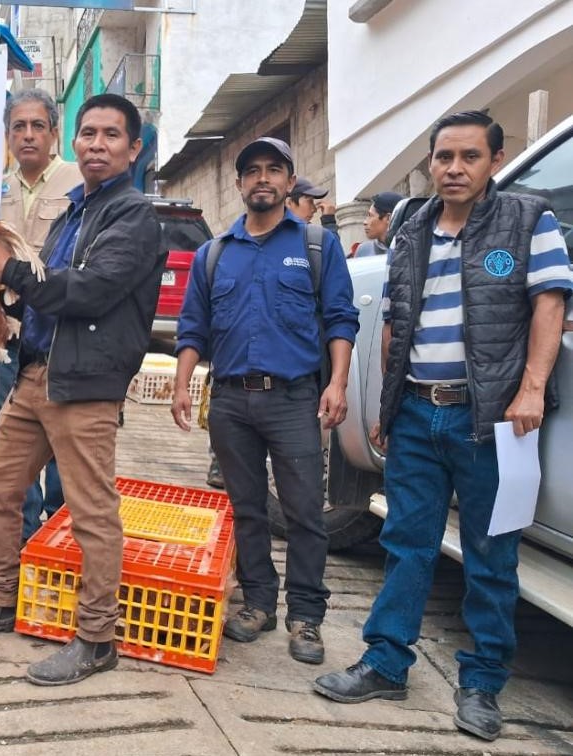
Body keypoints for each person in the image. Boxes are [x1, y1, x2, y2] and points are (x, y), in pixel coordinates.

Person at [314, 111, 572, 742]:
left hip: (491, 420)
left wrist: (531, 389)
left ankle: (482, 683)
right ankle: (385, 662)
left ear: (495, 160)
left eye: (469, 157)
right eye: (444, 157)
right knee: (406, 542)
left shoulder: (529, 219)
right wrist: (387, 408)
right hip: (416, 413)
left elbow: (549, 305)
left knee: (491, 553)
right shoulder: (412, 229)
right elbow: (396, 323)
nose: (454, 169)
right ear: (430, 162)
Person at [0, 93, 165, 686]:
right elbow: (41, 291)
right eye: (88, 134)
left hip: (85, 386)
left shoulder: (134, 216)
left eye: (111, 135)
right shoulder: (71, 213)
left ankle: (97, 638)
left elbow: (89, 292)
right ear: (76, 143)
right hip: (36, 373)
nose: (97, 145)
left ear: (133, 149)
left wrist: (8, 271)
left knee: (90, 511)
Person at [171, 136, 359, 665]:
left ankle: (306, 615)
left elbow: (341, 319)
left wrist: (338, 383)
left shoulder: (316, 246)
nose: (262, 178)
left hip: (293, 399)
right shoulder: (214, 255)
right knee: (246, 509)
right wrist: (182, 385)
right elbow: (193, 326)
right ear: (238, 183)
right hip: (231, 402)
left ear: (289, 181)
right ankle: (257, 603)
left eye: (273, 169)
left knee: (304, 512)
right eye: (252, 170)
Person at [0, 88, 81, 539]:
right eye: (18, 127)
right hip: (8, 335)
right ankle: (26, 539)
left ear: (54, 132)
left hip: (61, 337)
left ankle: (60, 540)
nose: (28, 135)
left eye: (37, 126)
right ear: (8, 135)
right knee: (17, 448)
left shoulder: (79, 181)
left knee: (64, 450)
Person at [353, 191, 405, 258]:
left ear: (388, 218)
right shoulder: (363, 250)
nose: (365, 222)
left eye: (370, 215)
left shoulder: (409, 250)